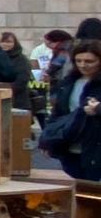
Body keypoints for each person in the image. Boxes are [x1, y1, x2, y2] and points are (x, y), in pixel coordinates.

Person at [42, 40, 101, 181]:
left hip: (95, 146)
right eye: (78, 60)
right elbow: (58, 113)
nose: (83, 65)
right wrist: (47, 140)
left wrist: (98, 109)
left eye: (89, 61)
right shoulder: (69, 82)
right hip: (69, 145)